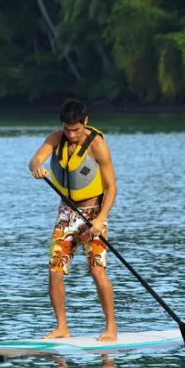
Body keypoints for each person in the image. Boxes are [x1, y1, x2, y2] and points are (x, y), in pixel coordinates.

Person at [28, 99, 117, 341]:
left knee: (97, 271)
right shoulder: (56, 138)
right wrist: (37, 168)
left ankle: (111, 328)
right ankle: (62, 328)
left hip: (93, 214)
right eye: (67, 129)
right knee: (55, 269)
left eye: (76, 129)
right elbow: (34, 160)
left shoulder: (97, 145)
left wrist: (101, 219)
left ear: (85, 122)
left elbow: (111, 188)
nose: (72, 134)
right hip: (66, 214)